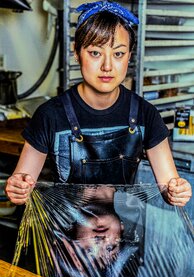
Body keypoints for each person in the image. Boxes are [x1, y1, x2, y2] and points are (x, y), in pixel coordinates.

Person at [5, 1, 192, 207]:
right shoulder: (50, 115)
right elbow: (22, 182)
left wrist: (178, 191)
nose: (107, 66)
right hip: (63, 234)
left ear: (129, 56)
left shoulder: (145, 114)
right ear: (77, 53)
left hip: (118, 233)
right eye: (95, 53)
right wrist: (18, 188)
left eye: (118, 54)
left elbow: (170, 185)